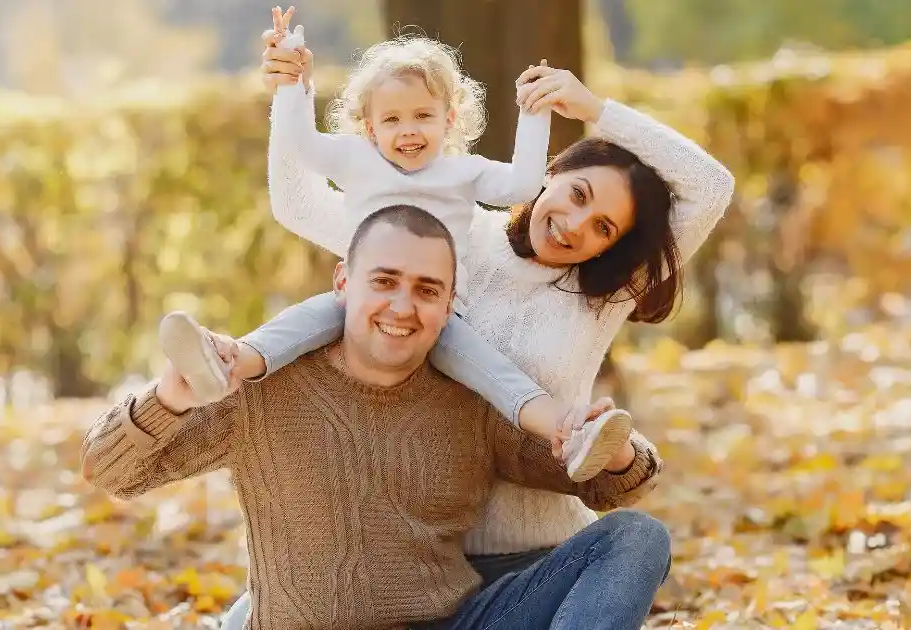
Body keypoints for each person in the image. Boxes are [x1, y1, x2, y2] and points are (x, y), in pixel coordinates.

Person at [256, 13, 734, 586]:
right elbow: (298, 205)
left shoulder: (602, 295)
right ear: (550, 172)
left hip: (539, 560)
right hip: (414, 567)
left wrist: (593, 109)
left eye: (603, 227)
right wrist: (290, 90)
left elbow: (711, 188)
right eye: (577, 194)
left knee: (638, 542)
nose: (575, 225)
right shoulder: (443, 239)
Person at [83, 205, 669, 630]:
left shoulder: (468, 401)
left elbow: (605, 483)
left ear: (448, 306)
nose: (402, 306)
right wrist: (169, 397)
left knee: (637, 538)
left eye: (427, 290)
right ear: (344, 282)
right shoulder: (262, 392)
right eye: (384, 282)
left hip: (454, 621)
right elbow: (109, 471)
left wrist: (619, 449)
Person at [159, 7, 635, 484]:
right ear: (370, 128)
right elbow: (303, 145)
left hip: (440, 312)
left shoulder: (462, 172)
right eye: (392, 119)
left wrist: (533, 115)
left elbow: (522, 186)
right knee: (300, 323)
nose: (408, 130)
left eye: (423, 115)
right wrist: (292, 84)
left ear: (449, 120)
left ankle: (570, 432)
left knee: (497, 375)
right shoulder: (356, 158)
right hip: (361, 298)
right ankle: (225, 362)